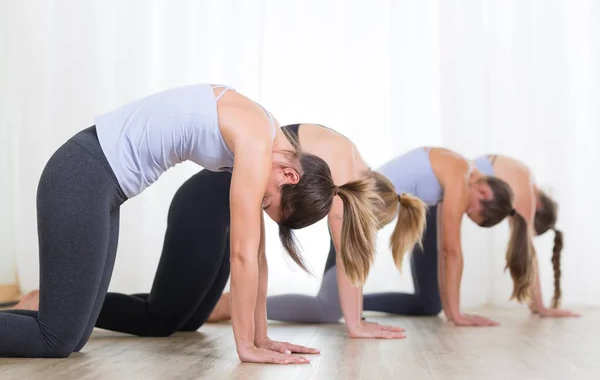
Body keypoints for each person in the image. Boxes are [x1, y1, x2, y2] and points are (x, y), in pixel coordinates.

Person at [0, 85, 381, 363]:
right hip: (82, 174)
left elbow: (259, 256)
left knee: (74, 334)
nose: (259, 206)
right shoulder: (255, 140)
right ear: (289, 175)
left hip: (102, 188)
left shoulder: (270, 138)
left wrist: (263, 337)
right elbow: (242, 256)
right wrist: (245, 347)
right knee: (55, 338)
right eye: (267, 202)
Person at [17, 123, 421, 340]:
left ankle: (69, 300)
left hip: (223, 216)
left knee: (187, 319)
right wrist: (356, 324)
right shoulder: (341, 171)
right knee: (160, 320)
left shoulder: (347, 156)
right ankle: (48, 301)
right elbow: (348, 257)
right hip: (205, 206)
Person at [208, 147, 529, 327]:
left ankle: (361, 306)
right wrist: (458, 315)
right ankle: (229, 306)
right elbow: (451, 250)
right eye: (471, 212)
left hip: (358, 218)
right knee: (326, 309)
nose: (463, 213)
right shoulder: (459, 170)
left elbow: (444, 248)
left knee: (428, 304)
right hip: (350, 216)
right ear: (483, 190)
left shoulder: (451, 174)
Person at [472, 155, 579, 317]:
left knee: (429, 304)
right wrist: (540, 306)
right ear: (536, 206)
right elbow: (527, 251)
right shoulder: (524, 189)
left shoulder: (523, 173)